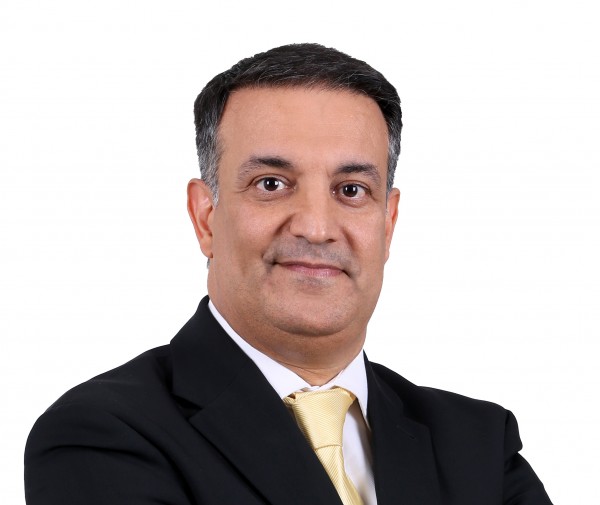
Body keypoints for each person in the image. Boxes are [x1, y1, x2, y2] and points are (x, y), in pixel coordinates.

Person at [24, 43, 552, 505]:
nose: (317, 228)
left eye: (351, 190)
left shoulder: (480, 445)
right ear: (205, 217)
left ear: (388, 223)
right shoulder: (101, 436)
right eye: (271, 184)